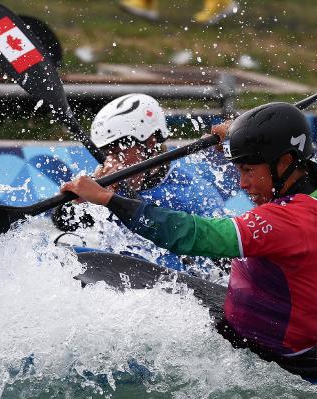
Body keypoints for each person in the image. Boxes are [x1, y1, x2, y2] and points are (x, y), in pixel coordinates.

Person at [60, 102, 317, 359]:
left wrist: (109, 199)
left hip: (269, 351)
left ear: (285, 161)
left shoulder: (288, 220)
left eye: (248, 170)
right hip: (260, 316)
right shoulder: (312, 186)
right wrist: (240, 136)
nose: (242, 184)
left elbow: (190, 233)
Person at [52, 93, 226, 272]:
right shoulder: (103, 184)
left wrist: (112, 198)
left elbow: (226, 260)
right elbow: (64, 221)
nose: (112, 161)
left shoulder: (192, 193)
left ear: (150, 142)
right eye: (105, 152)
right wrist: (89, 200)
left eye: (118, 148)